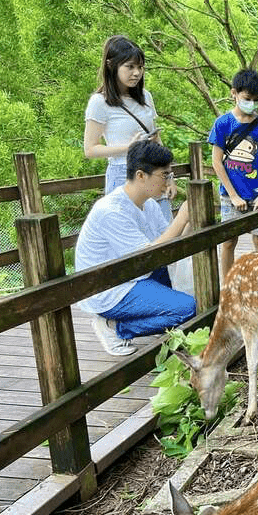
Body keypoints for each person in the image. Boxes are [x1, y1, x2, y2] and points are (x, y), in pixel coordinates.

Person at [75, 139, 196, 356]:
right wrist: (182, 218)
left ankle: (157, 321)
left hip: (134, 274)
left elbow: (166, 245)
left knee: (177, 297)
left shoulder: (148, 203)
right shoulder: (111, 211)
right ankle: (115, 328)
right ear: (141, 175)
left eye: (170, 175)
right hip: (108, 289)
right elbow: (147, 254)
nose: (168, 182)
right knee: (187, 307)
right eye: (164, 175)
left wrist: (188, 222)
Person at [84, 35, 175, 221]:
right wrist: (129, 147)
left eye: (140, 67)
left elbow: (157, 141)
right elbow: (90, 149)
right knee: (130, 240)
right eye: (130, 66)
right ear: (111, 65)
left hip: (154, 173)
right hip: (122, 175)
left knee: (164, 237)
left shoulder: (145, 97)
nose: (136, 73)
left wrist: (169, 177)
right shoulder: (99, 102)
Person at [208, 68, 258, 275]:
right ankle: (229, 285)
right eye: (247, 98)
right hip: (230, 195)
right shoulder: (223, 124)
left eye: (256, 99)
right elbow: (216, 161)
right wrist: (232, 195)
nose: (252, 103)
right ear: (234, 93)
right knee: (229, 242)